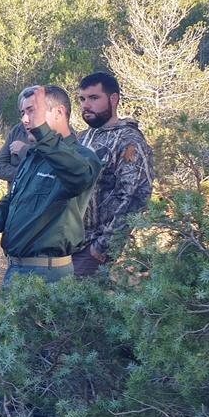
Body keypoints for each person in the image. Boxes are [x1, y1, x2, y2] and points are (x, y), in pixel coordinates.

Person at [0, 85, 101, 286]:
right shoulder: (33, 156)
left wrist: (43, 133)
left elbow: (78, 176)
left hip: (48, 276)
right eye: (23, 112)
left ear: (59, 112)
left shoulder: (83, 157)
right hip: (15, 270)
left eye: (32, 111)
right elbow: (13, 200)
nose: (25, 120)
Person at [74, 72, 154, 277]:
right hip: (68, 242)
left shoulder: (128, 141)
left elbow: (135, 197)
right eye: (82, 99)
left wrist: (103, 246)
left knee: (75, 294)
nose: (86, 105)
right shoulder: (82, 138)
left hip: (93, 247)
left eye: (94, 98)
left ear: (113, 99)